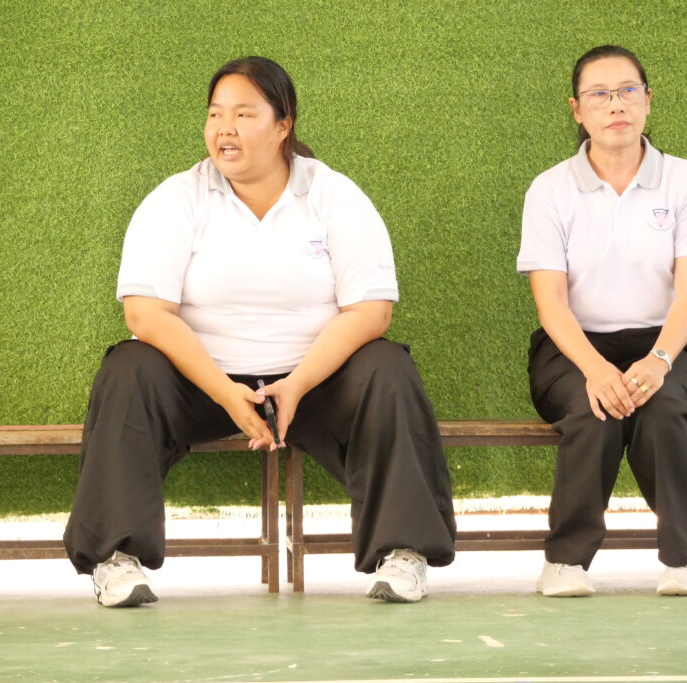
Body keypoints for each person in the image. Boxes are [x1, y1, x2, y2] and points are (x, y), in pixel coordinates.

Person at [64, 56, 456, 607]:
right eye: (215, 114)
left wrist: (296, 384)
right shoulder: (177, 198)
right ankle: (115, 559)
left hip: (315, 379)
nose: (224, 129)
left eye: (244, 114)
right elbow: (145, 314)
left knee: (388, 367)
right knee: (128, 368)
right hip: (201, 381)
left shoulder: (334, 195)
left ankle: (404, 553)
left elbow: (371, 311)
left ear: (282, 125)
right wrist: (225, 392)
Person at [517, 45, 687, 597]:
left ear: (648, 101)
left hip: (665, 344)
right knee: (595, 411)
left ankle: (684, 559)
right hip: (572, 348)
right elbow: (551, 303)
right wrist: (596, 370)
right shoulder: (549, 189)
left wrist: (659, 362)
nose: (616, 105)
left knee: (662, 409)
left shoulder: (686, 181)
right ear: (576, 109)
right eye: (599, 94)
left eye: (628, 90)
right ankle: (565, 562)